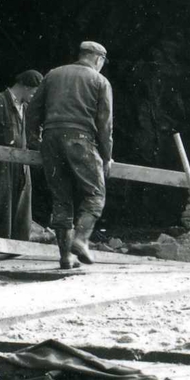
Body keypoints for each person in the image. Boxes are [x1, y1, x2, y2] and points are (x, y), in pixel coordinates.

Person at [26, 41, 114, 270]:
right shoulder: (99, 81)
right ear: (98, 59)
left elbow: (33, 110)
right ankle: (81, 240)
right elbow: (105, 124)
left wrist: (35, 141)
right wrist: (106, 156)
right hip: (81, 140)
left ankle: (66, 257)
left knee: (61, 200)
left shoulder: (53, 74)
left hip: (52, 140)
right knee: (95, 194)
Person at [0, 69, 43, 240]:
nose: (35, 97)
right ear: (26, 87)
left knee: (22, 210)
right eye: (35, 92)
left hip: (22, 164)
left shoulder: (25, 107)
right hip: (0, 165)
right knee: (0, 209)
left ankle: (17, 250)